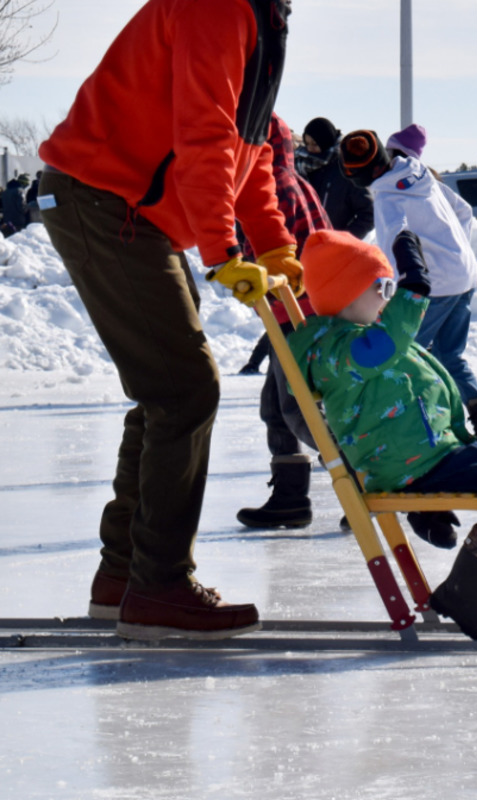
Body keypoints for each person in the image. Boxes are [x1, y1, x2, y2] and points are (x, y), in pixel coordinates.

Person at [36, 0, 301, 640]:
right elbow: (202, 130)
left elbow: (251, 146)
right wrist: (223, 250)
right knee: (184, 389)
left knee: (168, 389)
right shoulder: (219, 6)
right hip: (100, 198)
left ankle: (124, 577)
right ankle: (157, 585)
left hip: (135, 213)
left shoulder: (265, 17)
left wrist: (275, 246)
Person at [288, 228, 477, 642]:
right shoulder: (335, 352)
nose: (389, 296)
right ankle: (462, 594)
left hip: (434, 451)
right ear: (346, 293)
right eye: (383, 286)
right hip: (404, 462)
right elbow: (384, 346)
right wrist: (415, 289)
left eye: (392, 286)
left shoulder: (371, 336)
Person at [338, 127, 477, 450]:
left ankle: (402, 431)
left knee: (398, 355)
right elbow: (463, 210)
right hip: (464, 275)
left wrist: (395, 286)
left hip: (438, 285)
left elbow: (394, 246)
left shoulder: (388, 198)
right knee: (448, 355)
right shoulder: (420, 175)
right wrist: (452, 247)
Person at [235, 113, 330, 530]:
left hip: (301, 311)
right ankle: (291, 498)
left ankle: (370, 476)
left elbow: (263, 248)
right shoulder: (289, 176)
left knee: (299, 409)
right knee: (275, 406)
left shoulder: (270, 184)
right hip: (293, 309)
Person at [297, 116, 374, 239]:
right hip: (300, 246)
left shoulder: (346, 170)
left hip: (332, 248)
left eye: (315, 144)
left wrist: (344, 239)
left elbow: (369, 213)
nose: (310, 149)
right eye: (307, 143)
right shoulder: (298, 166)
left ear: (326, 142)